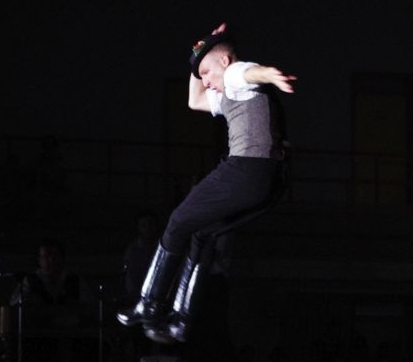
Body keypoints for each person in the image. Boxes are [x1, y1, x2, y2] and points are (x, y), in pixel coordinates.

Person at [116, 22, 296, 344]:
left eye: (208, 74)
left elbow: (248, 73)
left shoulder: (235, 75)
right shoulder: (227, 94)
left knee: (177, 222)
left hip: (246, 170)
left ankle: (150, 302)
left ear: (224, 62)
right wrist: (198, 58)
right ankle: (181, 319)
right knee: (202, 234)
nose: (206, 82)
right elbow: (193, 101)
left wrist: (269, 74)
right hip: (270, 183)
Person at [10, 239, 96, 362]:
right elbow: (15, 305)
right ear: (39, 260)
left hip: (72, 336)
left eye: (55, 256)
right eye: (46, 256)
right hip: (37, 336)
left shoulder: (75, 280)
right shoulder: (30, 281)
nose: (51, 260)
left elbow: (89, 306)